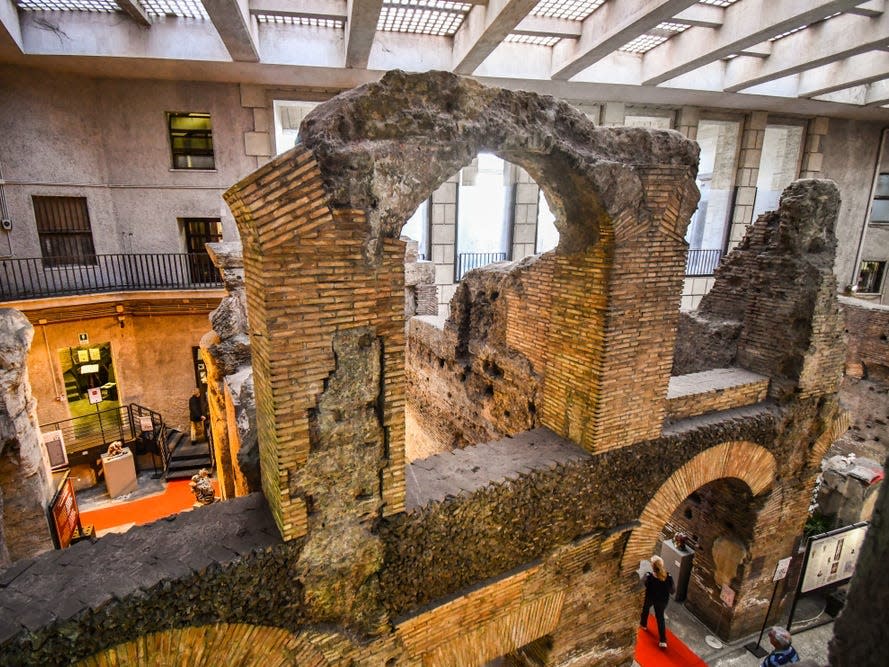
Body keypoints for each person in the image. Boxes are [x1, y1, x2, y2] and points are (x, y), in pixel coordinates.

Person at [639, 554, 675, 648]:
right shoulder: (668, 576)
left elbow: (643, 584)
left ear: (652, 566)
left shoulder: (649, 576)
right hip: (662, 601)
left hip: (650, 598)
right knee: (660, 618)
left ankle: (643, 624)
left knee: (645, 610)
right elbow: (672, 591)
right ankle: (663, 640)